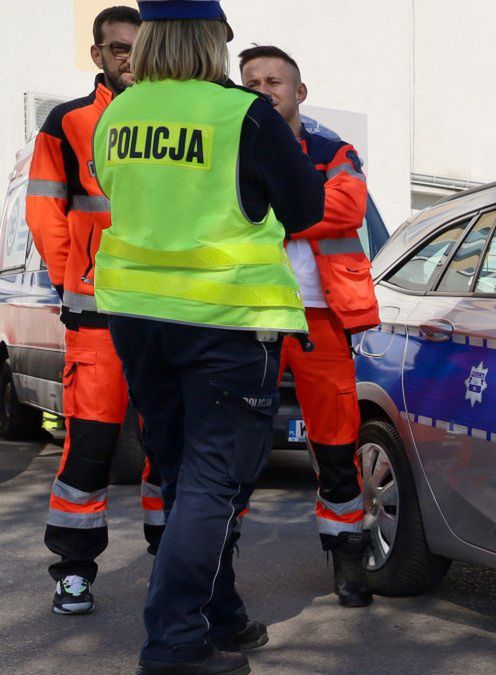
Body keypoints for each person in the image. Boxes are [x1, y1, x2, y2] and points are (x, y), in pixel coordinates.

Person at [91, 2, 325, 672]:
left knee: (184, 474)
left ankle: (219, 614)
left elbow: (113, 187)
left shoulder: (119, 113)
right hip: (226, 321)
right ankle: (173, 643)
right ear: (210, 40)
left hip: (138, 319)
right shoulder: (241, 113)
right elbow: (306, 206)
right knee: (214, 481)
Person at [26, 5, 164, 617]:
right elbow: (45, 211)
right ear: (98, 56)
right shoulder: (68, 122)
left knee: (170, 442)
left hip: (165, 310)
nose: (128, 58)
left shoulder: (177, 116)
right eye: (116, 49)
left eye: (138, 47)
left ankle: (172, 562)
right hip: (97, 312)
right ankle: (74, 570)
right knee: (89, 446)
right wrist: (71, 280)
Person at [239, 45, 380, 608]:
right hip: (249, 317)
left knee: (336, 441)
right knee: (236, 448)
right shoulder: (229, 149)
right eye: (250, 81)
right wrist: (301, 208)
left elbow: (346, 209)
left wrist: (273, 212)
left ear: (300, 93)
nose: (263, 88)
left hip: (320, 317)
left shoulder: (332, 149)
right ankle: (216, 567)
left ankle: (347, 561)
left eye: (275, 80)